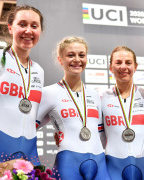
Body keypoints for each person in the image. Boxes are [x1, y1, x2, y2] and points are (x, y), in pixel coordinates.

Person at [36, 36, 111, 180]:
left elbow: (102, 135)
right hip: (68, 162)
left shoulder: (95, 95)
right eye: (71, 55)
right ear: (60, 59)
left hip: (99, 161)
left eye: (81, 55)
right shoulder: (49, 93)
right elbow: (28, 127)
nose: (77, 59)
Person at [0, 5, 44, 166]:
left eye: (34, 26)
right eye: (22, 24)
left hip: (29, 150)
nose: (28, 31)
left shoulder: (39, 71)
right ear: (10, 28)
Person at [102, 46, 144, 180]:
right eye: (118, 62)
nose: (123, 66)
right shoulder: (102, 98)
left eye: (128, 62)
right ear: (111, 68)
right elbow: (97, 137)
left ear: (135, 67)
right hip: (113, 165)